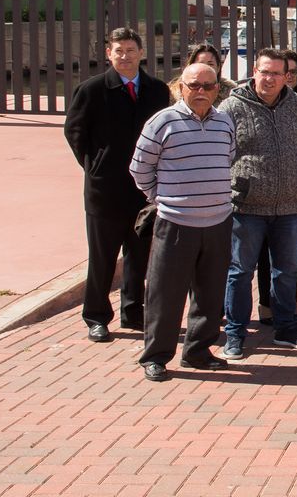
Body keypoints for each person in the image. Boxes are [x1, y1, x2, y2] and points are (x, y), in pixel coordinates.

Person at [64, 27, 171, 342]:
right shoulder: (92, 89)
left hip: (144, 190)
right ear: (108, 54)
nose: (125, 56)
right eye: (118, 50)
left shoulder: (156, 90)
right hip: (105, 190)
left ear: (141, 53)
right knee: (103, 257)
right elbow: (74, 131)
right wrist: (93, 165)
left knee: (139, 256)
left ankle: (134, 312)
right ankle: (96, 317)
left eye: (130, 50)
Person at [129, 63, 235, 381]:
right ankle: (156, 356)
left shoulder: (224, 122)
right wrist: (160, 197)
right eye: (194, 85)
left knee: (210, 293)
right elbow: (140, 168)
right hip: (176, 222)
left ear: (217, 89)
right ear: (180, 87)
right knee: (166, 293)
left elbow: (227, 158)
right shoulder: (161, 122)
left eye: (208, 85)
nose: (201, 91)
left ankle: (198, 352)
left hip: (218, 221)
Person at [218, 48, 297, 359]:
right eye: (266, 72)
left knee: (286, 270)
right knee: (240, 271)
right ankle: (235, 333)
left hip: (289, 206)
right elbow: (222, 153)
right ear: (254, 71)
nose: (271, 78)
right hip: (247, 207)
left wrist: (289, 181)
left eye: (277, 73)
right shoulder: (231, 107)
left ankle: (286, 327)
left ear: (285, 76)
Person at [254, 48, 297, 326]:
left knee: (288, 257)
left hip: (293, 194)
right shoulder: (246, 104)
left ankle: (287, 305)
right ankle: (263, 305)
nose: (283, 77)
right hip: (256, 197)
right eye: (279, 72)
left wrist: (293, 174)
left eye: (290, 72)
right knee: (252, 259)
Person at [166, 43, 235, 105]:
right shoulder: (172, 94)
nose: (205, 68)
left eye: (210, 64)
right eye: (200, 63)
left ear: (218, 68)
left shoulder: (230, 94)